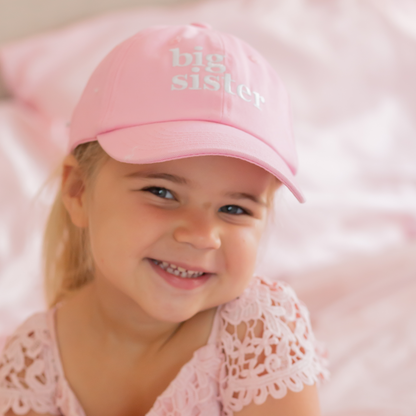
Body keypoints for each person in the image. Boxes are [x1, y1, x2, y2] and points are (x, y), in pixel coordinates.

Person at [0, 23, 329, 416]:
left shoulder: (257, 330)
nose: (202, 235)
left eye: (235, 209)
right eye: (162, 192)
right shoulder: (31, 363)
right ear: (78, 192)